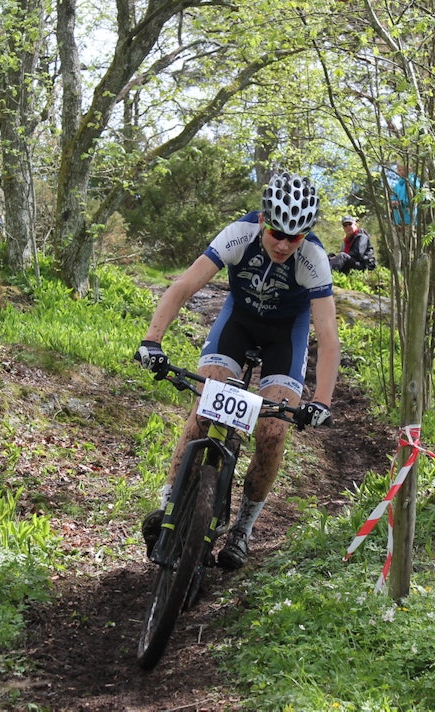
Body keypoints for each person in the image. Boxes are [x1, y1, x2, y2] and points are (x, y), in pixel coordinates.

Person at [135, 171, 341, 571]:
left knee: (272, 430)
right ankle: (168, 508)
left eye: (295, 237)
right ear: (264, 220)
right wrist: (152, 341)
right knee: (204, 410)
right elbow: (183, 287)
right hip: (239, 323)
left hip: (286, 335)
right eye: (277, 232)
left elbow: (329, 337)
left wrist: (322, 402)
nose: (283, 244)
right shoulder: (238, 234)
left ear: (306, 236)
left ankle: (243, 530)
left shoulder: (313, 260)